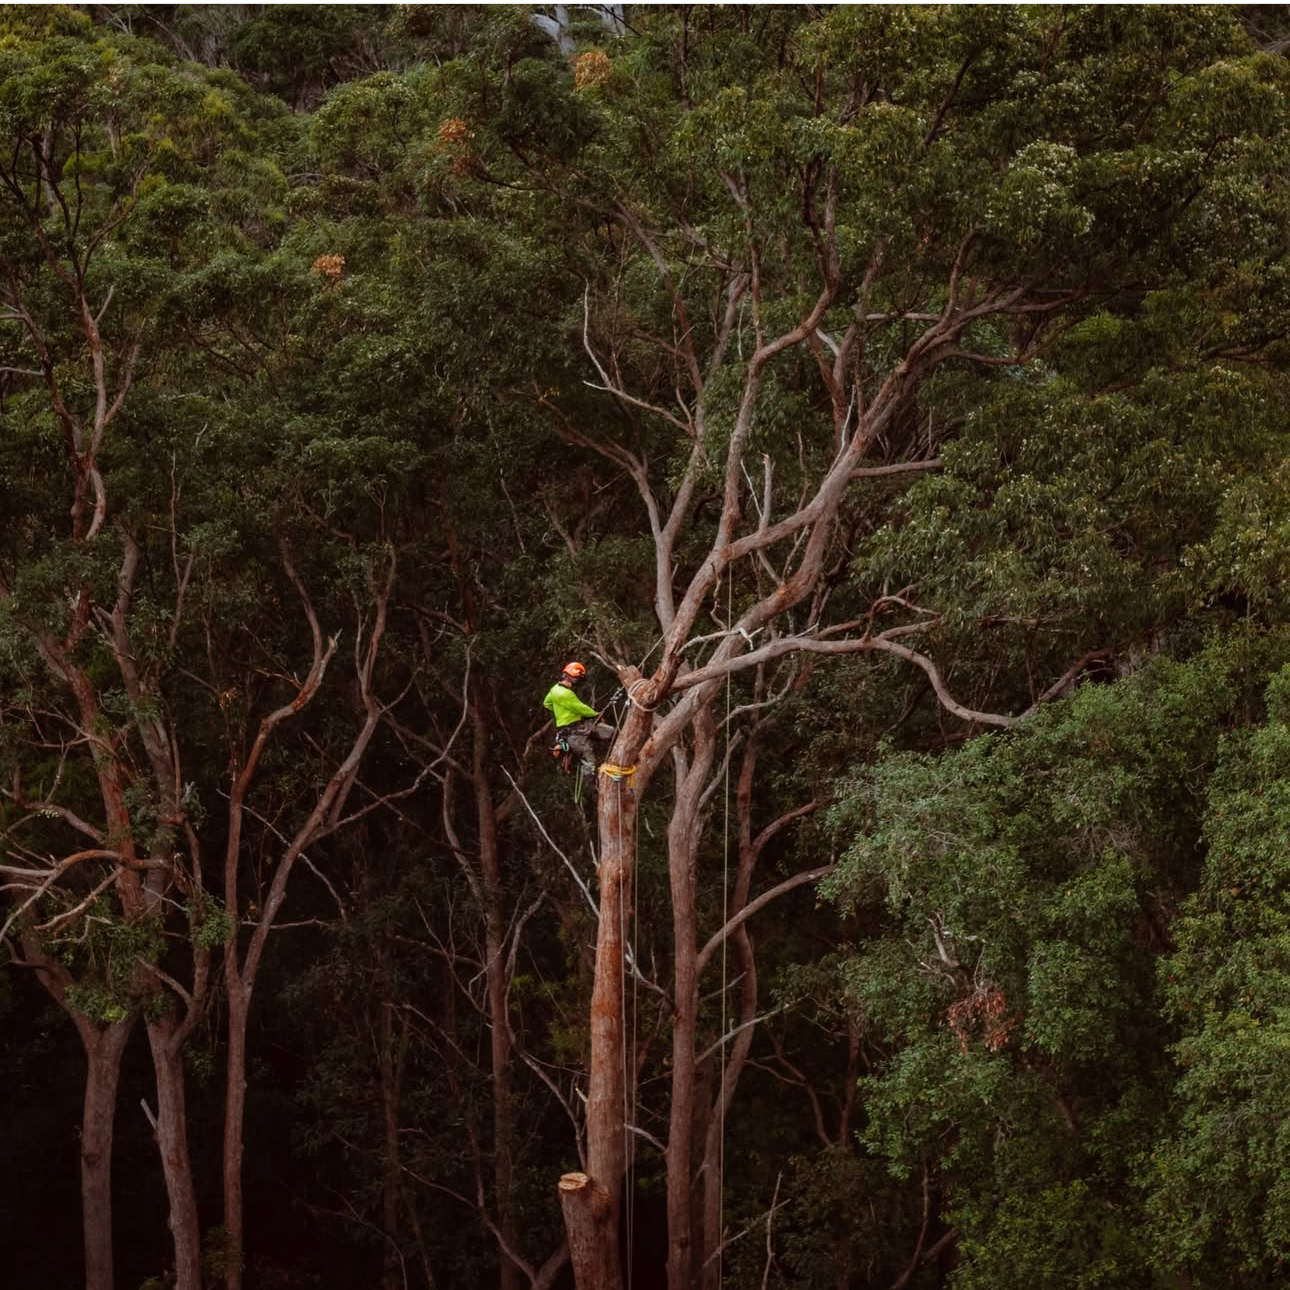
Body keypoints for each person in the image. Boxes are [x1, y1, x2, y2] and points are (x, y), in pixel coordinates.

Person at [543, 661, 613, 776]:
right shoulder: (565, 694)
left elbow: (547, 704)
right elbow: (580, 708)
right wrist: (596, 715)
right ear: (574, 678)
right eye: (578, 679)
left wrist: (561, 710)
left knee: (609, 731)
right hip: (572, 732)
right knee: (590, 760)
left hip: (580, 726)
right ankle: (590, 783)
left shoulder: (554, 689)